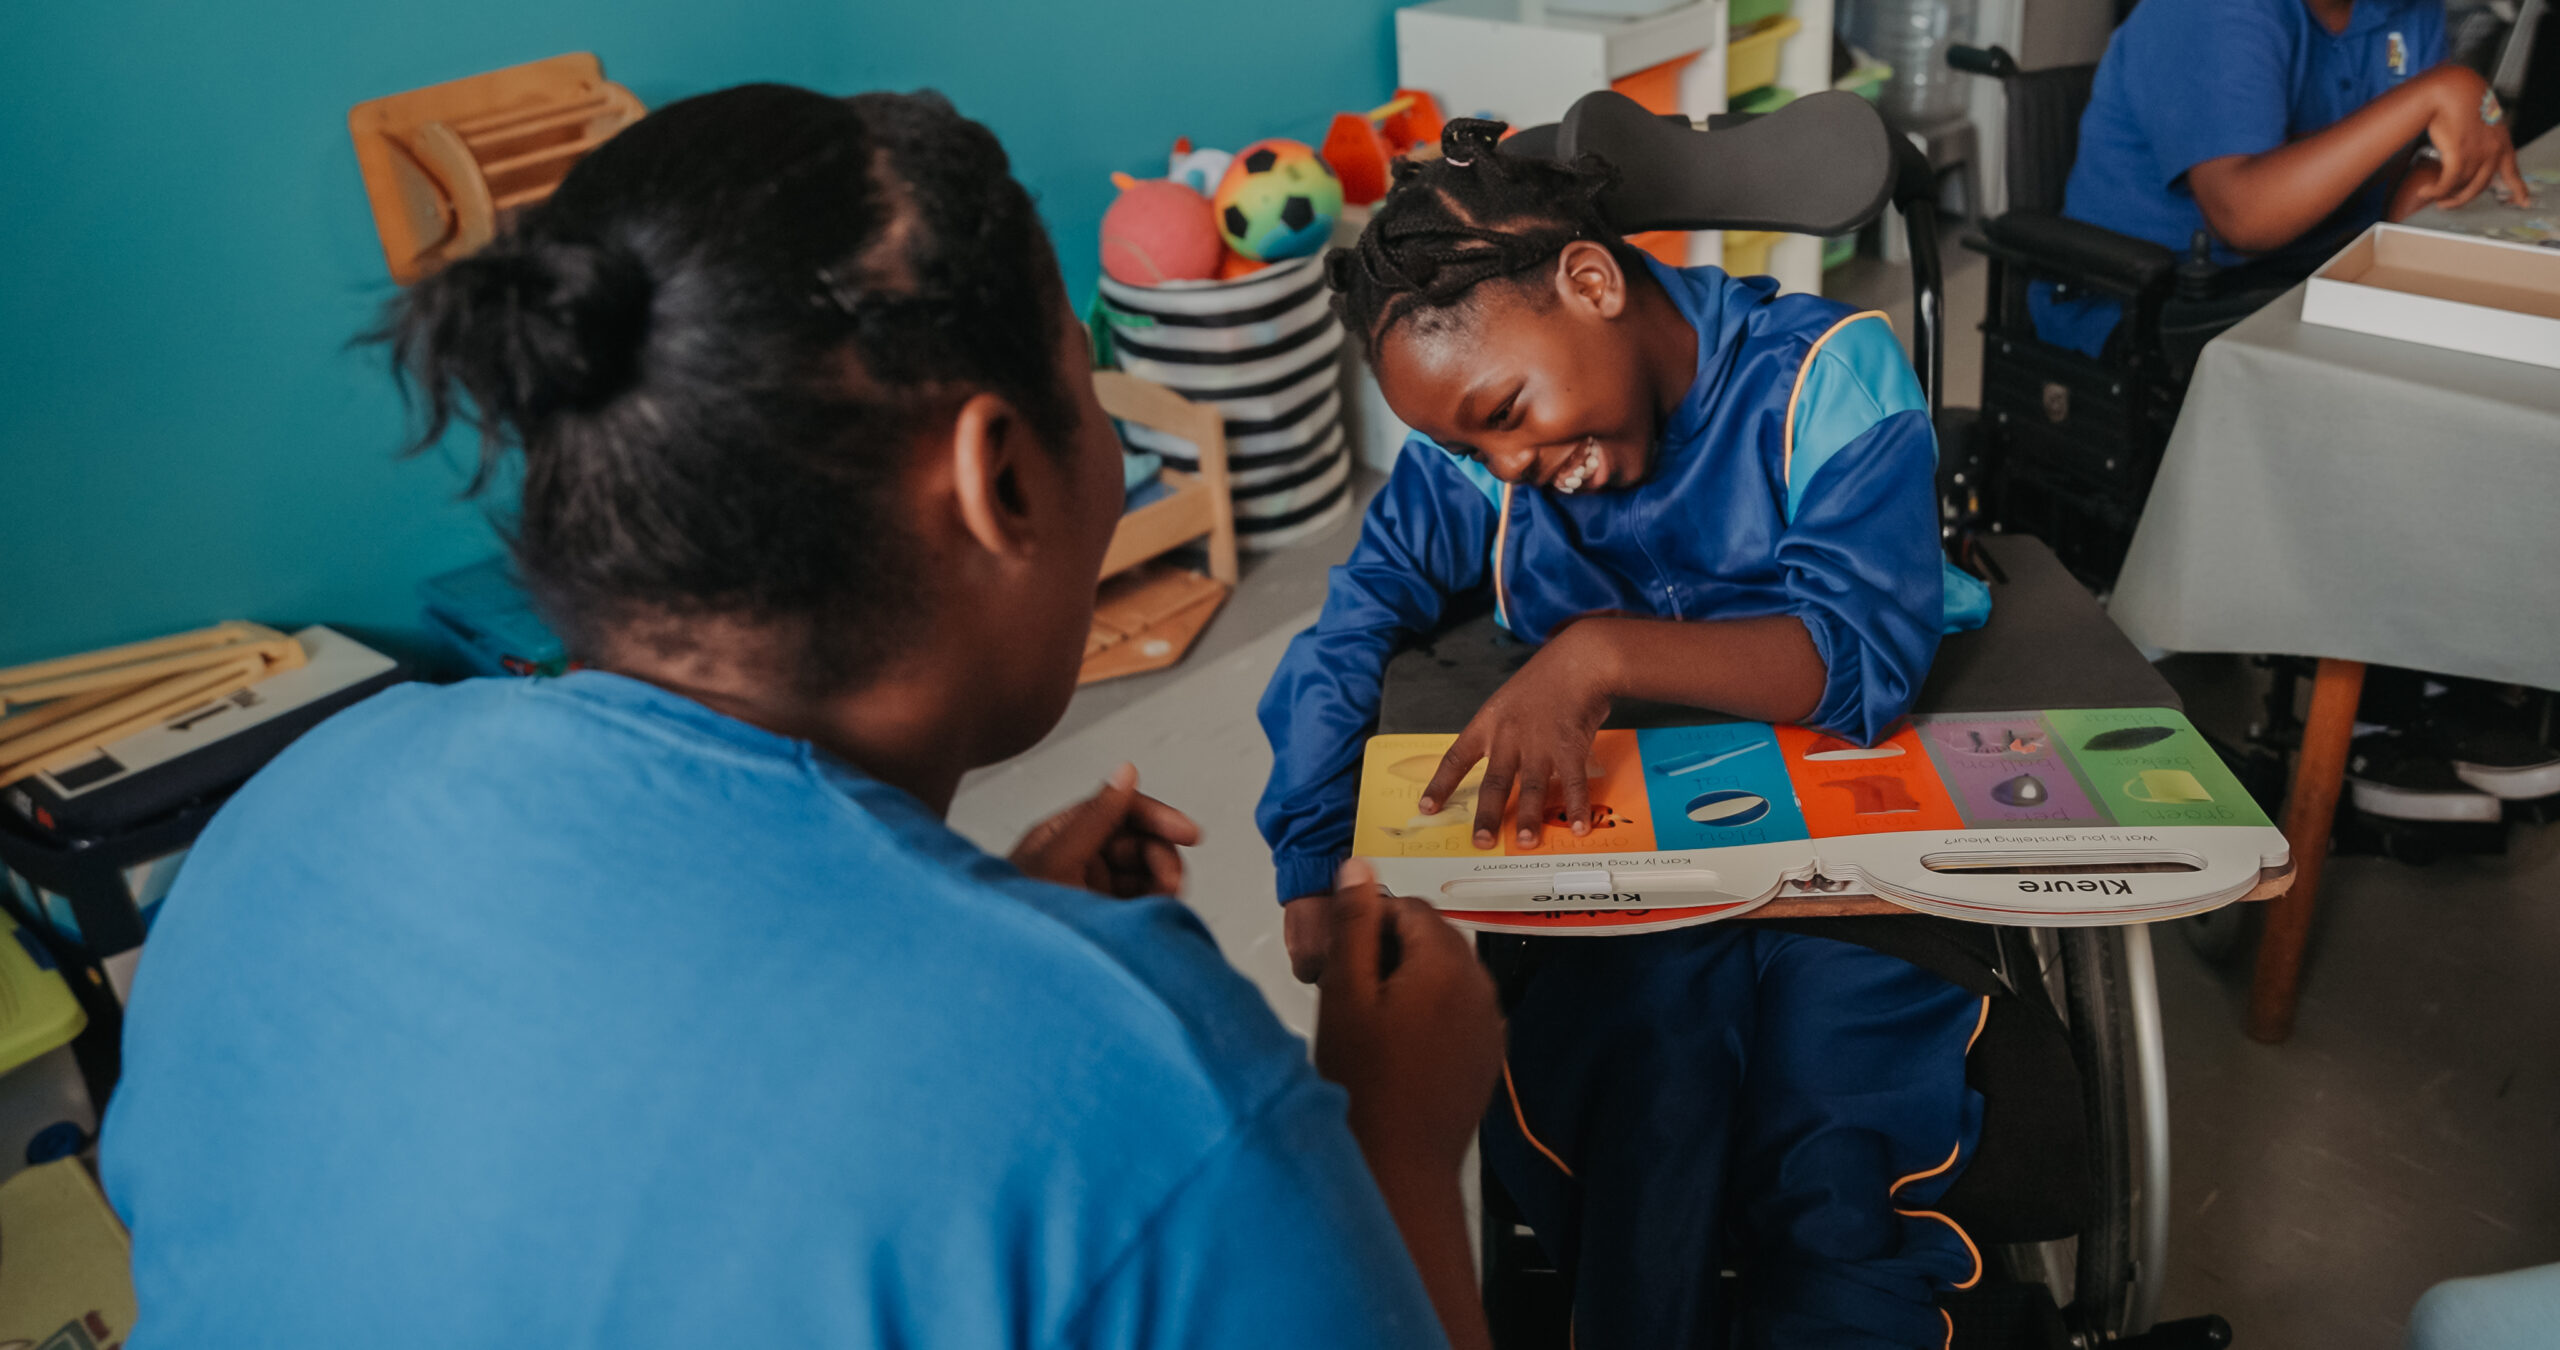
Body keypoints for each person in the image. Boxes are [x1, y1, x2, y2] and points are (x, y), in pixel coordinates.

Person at [100, 85, 1502, 1350]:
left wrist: (988, 930)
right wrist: (1393, 1146)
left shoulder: (295, 801)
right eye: (1091, 398)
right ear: (1000, 480)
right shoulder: (1151, 1087)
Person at [1257, 120, 1997, 1350]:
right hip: (1627, 883)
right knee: (1640, 1137)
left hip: (1850, 878)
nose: (1509, 466)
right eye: (1468, 448)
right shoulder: (1492, 461)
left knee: (1831, 1147)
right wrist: (1309, 851)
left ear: (1592, 282)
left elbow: (1860, 661)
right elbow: (1354, 622)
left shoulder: (1827, 377)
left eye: (1506, 412)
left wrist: (1598, 653)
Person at [2038, 0, 2531, 357]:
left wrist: (2438, 170)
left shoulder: (2408, 10)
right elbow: (2244, 218)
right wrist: (2433, 94)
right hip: (2154, 306)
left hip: (2315, 274)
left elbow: (2402, 172)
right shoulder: (2210, 10)